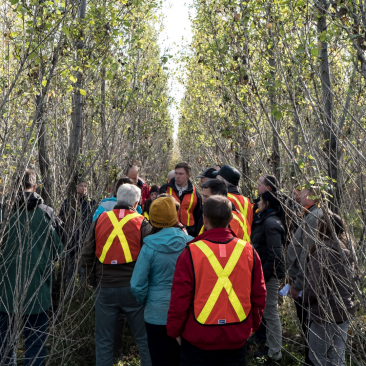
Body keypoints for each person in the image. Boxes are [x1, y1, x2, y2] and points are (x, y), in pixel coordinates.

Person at [167, 195, 266, 366]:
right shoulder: (248, 251)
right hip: (236, 335)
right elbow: (259, 295)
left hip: (198, 338)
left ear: (204, 219)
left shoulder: (190, 252)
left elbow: (180, 298)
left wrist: (174, 330)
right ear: (230, 219)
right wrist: (251, 326)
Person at [81, 184, 152, 366]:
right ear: (137, 202)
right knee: (144, 341)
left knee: (104, 342)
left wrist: (94, 282)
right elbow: (149, 258)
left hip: (105, 288)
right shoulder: (142, 222)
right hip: (134, 290)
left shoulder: (100, 220)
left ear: (117, 199)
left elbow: (87, 255)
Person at [0, 169, 63, 366]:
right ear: (34, 187)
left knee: (4, 345)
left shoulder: (3, 213)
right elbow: (58, 251)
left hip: (5, 293)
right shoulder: (45, 214)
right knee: (35, 345)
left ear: (13, 187)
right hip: (37, 290)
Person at [131, 197, 193, 366]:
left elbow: (137, 285)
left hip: (156, 315)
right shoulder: (192, 244)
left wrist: (148, 300)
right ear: (175, 216)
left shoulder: (148, 247)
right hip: (186, 314)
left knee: (160, 360)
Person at [304, 214, 356, 366]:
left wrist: (303, 296)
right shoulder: (348, 251)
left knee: (316, 358)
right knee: (338, 359)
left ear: (322, 228)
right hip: (345, 311)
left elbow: (313, 289)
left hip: (324, 314)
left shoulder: (322, 253)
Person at [287, 188, 323, 366]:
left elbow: (306, 255)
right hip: (303, 282)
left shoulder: (315, 217)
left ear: (313, 195)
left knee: (308, 326)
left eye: (302, 191)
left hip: (306, 285)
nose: (298, 194)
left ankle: (311, 361)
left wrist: (299, 284)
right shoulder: (309, 214)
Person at [250, 191, 286, 363]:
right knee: (267, 312)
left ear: (268, 204)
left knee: (271, 313)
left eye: (261, 201)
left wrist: (262, 276)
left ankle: (275, 353)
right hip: (263, 273)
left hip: (268, 276)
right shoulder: (264, 219)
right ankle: (270, 348)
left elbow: (275, 256)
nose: (257, 203)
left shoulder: (271, 223)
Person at [59, 179, 97, 286]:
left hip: (84, 242)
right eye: (81, 186)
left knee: (83, 270)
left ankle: (81, 295)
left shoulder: (91, 203)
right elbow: (61, 219)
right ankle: (68, 293)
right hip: (70, 242)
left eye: (86, 186)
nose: (84, 188)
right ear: (75, 187)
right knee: (70, 269)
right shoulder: (68, 202)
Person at [159, 162, 202, 237]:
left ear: (188, 175)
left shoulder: (195, 194)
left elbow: (198, 216)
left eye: (181, 174)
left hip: (189, 233)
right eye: (176, 173)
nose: (177, 176)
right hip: (167, 231)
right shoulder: (165, 188)